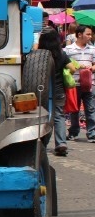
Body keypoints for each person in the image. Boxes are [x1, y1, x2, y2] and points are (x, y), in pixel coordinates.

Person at [37, 27, 77, 157]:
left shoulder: (38, 55)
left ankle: (42, 143)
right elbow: (72, 69)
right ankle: (61, 144)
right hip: (58, 90)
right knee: (59, 116)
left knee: (43, 116)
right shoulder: (62, 54)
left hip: (41, 91)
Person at [64, 25, 95, 142]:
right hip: (74, 84)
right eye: (88, 34)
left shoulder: (92, 49)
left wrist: (91, 68)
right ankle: (73, 132)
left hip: (89, 84)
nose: (90, 36)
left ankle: (92, 133)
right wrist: (77, 66)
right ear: (79, 34)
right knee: (74, 110)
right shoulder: (68, 49)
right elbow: (64, 65)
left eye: (90, 34)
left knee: (91, 109)